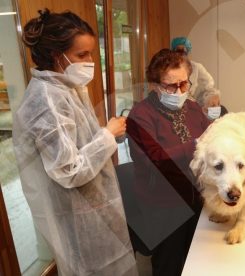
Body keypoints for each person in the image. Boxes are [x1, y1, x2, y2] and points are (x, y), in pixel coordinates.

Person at [12, 9, 138, 276]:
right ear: (58, 56)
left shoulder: (67, 87)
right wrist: (108, 134)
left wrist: (104, 136)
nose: (91, 61)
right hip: (77, 215)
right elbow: (69, 170)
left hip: (93, 205)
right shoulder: (45, 101)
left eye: (91, 53)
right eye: (83, 55)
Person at [126, 49, 210, 276]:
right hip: (163, 205)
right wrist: (196, 143)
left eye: (184, 84)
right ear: (155, 85)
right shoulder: (140, 115)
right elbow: (154, 160)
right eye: (171, 86)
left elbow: (211, 145)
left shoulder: (193, 109)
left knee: (197, 259)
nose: (179, 91)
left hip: (196, 198)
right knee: (169, 264)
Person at [171, 36, 214, 101]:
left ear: (187, 51)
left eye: (183, 49)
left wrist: (199, 96)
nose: (180, 51)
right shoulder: (169, 68)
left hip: (190, 102)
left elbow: (209, 81)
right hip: (174, 101)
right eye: (177, 49)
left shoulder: (196, 67)